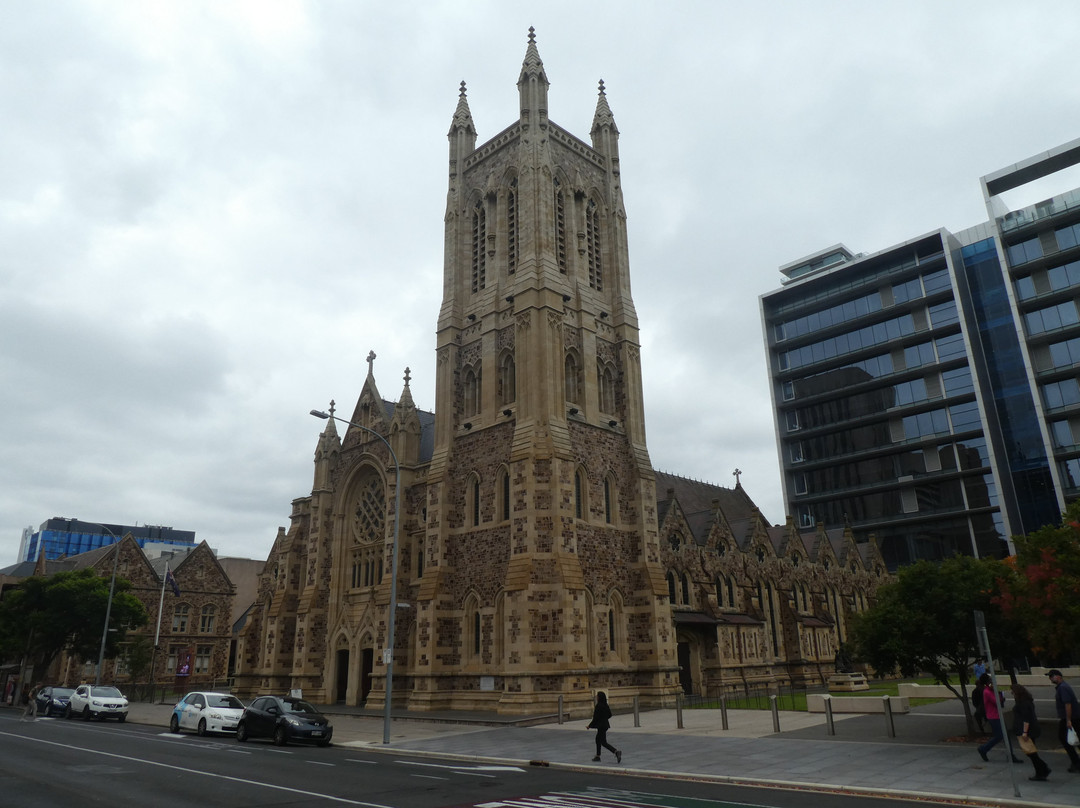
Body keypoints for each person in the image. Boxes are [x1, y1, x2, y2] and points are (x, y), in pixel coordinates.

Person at [1012, 683, 1051, 781]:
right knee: (1031, 752)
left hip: (1027, 731)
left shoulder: (1023, 703)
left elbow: (1026, 718)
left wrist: (1025, 732)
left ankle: (1043, 769)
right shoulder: (1026, 701)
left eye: (1013, 691)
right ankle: (1042, 770)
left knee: (1031, 752)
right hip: (1030, 730)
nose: (1011, 693)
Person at [977, 674, 1016, 762]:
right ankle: (983, 748)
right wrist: (999, 695)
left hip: (997, 715)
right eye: (990, 680)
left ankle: (1010, 755)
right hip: (993, 717)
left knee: (1004, 735)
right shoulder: (987, 691)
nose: (992, 681)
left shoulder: (991, 690)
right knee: (1000, 736)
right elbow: (997, 701)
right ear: (987, 682)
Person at [1048, 669, 1080, 773]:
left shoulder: (1063, 688)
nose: (1050, 678)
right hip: (1072, 717)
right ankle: (1076, 762)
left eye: (1052, 676)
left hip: (1071, 718)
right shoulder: (1062, 687)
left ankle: (1076, 762)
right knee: (1073, 738)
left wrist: (1068, 720)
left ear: (1058, 676)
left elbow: (1068, 704)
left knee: (1064, 738)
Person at [586, 691, 621, 764]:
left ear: (599, 697)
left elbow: (595, 718)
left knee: (603, 742)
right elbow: (610, 715)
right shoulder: (605, 705)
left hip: (601, 726)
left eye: (597, 696)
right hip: (605, 725)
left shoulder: (598, 706)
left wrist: (589, 725)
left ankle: (616, 752)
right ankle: (598, 756)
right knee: (598, 740)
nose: (596, 697)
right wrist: (604, 718)